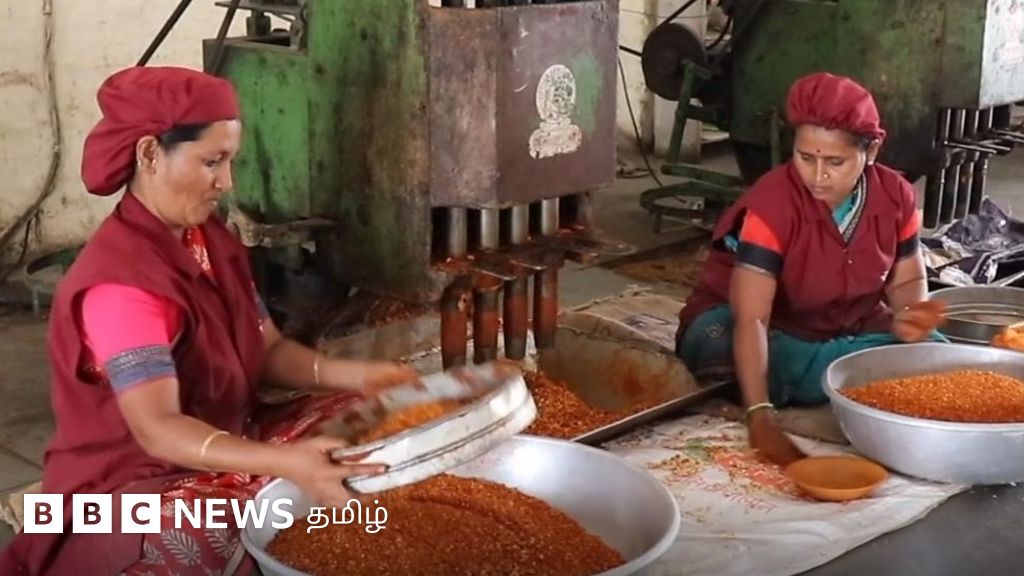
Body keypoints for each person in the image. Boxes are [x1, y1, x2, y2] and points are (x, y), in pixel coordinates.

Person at [1, 66, 417, 575]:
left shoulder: (208, 240)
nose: (227, 181)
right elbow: (158, 432)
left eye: (230, 161)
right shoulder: (121, 286)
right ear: (150, 154)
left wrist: (359, 375)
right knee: (209, 536)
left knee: (362, 420)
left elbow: (267, 351)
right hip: (126, 487)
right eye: (211, 162)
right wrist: (285, 463)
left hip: (221, 438)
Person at [676, 72, 946, 467]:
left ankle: (839, 370)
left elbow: (908, 277)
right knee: (729, 351)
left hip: (849, 322)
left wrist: (912, 314)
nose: (817, 177)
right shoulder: (772, 204)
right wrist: (758, 414)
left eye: (835, 162)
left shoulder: (896, 197)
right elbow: (752, 318)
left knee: (939, 351)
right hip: (766, 327)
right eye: (806, 157)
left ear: (870, 152)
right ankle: (847, 372)